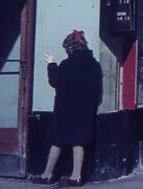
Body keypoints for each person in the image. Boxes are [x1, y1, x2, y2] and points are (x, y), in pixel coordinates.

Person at [34, 30, 102, 186]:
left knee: (56, 141)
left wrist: (51, 64)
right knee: (79, 141)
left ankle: (47, 174)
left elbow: (55, 81)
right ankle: (76, 177)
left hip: (65, 109)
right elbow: (97, 89)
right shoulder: (95, 65)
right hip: (85, 110)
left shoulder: (66, 64)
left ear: (70, 48)